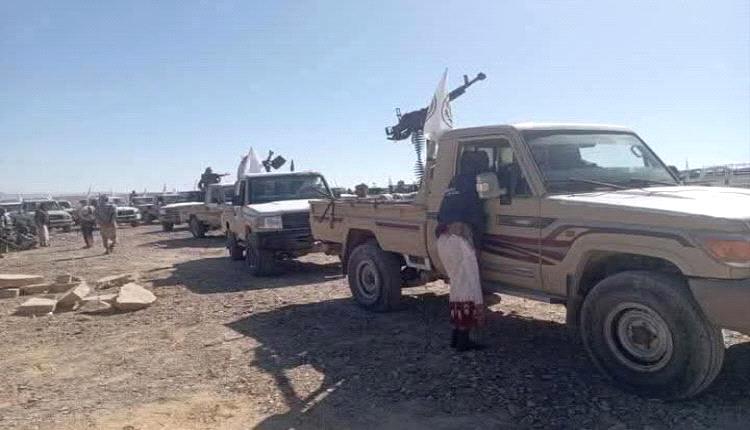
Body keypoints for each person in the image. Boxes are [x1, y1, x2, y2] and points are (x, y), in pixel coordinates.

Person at [435, 151, 488, 351]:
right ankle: (463, 339)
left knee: (458, 288)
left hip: (445, 239)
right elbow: (475, 215)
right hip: (459, 242)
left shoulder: (455, 182)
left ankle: (457, 336)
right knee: (467, 288)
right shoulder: (472, 184)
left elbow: (442, 214)